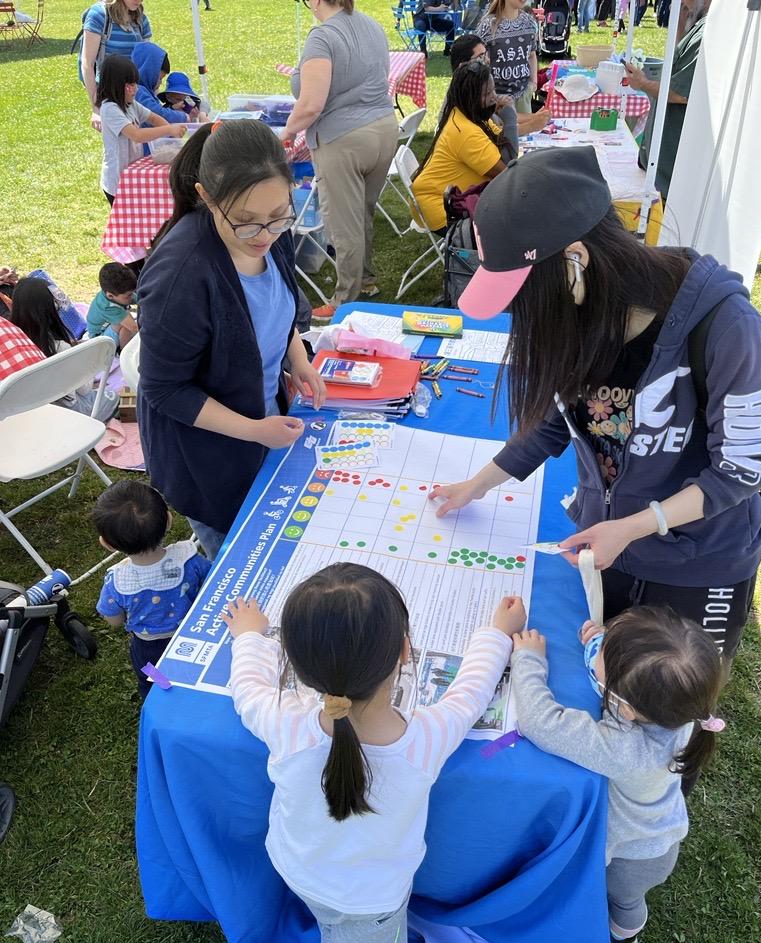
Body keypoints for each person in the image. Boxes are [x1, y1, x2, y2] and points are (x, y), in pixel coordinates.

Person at [430, 146, 761, 675]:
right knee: (609, 679)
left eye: (526, 295)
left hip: (698, 559)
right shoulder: (577, 313)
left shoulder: (725, 327)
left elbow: (741, 469)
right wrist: (477, 484)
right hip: (608, 544)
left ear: (576, 259)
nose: (524, 315)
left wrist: (638, 525)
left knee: (670, 698)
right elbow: (551, 421)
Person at [223, 563, 526, 943]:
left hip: (296, 866)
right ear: (407, 651)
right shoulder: (425, 737)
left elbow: (247, 689)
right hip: (370, 904)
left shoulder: (285, 721)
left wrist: (248, 636)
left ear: (294, 662)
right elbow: (470, 692)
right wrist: (497, 635)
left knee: (337, 932)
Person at [137, 120, 326, 560]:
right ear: (206, 197)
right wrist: (254, 430)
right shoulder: (180, 276)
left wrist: (296, 360)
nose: (264, 234)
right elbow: (165, 389)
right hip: (209, 458)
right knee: (245, 562)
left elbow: (279, 315)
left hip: (263, 424)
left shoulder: (270, 233)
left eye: (279, 215)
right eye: (245, 223)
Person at [511, 605, 723, 943]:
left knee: (623, 901)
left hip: (632, 859)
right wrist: (602, 641)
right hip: (660, 834)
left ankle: (623, 940)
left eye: (602, 660)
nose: (598, 651)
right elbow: (636, 677)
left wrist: (528, 660)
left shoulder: (624, 749)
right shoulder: (680, 707)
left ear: (627, 709)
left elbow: (541, 723)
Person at [283, 0, 398, 320]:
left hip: (344, 138)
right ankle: (366, 280)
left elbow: (311, 105)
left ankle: (345, 300)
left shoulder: (322, 37)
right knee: (362, 212)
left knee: (343, 224)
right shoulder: (372, 26)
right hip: (383, 129)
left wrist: (288, 131)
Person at [93, 480, 211, 699]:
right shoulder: (189, 559)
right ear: (168, 520)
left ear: (107, 544)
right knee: (195, 668)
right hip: (193, 634)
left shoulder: (116, 581)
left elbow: (114, 620)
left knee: (153, 678)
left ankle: (162, 695)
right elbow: (211, 581)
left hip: (148, 649)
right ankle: (193, 692)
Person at [412, 61, 547, 233]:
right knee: (524, 209)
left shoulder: (469, 114)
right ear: (470, 96)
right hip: (443, 209)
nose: (494, 97)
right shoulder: (465, 131)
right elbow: (506, 172)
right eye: (487, 94)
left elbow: (501, 140)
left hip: (456, 198)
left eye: (493, 90)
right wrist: (510, 118)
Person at [626, 0, 711, 200]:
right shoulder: (697, 26)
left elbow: (681, 94)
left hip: (673, 171)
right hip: (662, 166)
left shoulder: (707, 33)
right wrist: (683, 19)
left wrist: (643, 83)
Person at [9, 277, 119, 420]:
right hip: (70, 414)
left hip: (32, 414)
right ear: (50, 309)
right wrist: (88, 360)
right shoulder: (59, 347)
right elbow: (84, 389)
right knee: (113, 396)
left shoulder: (13, 342)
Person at [97, 55, 186, 206]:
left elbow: (153, 118)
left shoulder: (131, 104)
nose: (135, 89)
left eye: (135, 84)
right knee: (126, 219)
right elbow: (136, 135)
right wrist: (169, 129)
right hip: (116, 180)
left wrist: (171, 137)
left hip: (131, 173)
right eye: (129, 85)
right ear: (114, 85)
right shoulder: (110, 108)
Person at [80, 0, 152, 132]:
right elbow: (87, 64)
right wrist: (96, 108)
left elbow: (146, 64)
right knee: (119, 149)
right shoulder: (99, 15)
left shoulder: (142, 20)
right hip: (110, 97)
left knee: (139, 149)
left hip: (136, 97)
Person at [477, 0, 539, 113]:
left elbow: (531, 54)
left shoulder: (529, 21)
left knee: (525, 130)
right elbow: (478, 62)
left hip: (523, 95)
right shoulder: (488, 25)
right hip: (496, 99)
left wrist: (533, 83)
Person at [131, 42, 198, 127]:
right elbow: (157, 113)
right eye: (159, 78)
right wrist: (184, 117)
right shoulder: (138, 92)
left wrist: (172, 109)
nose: (160, 82)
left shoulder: (144, 91)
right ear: (147, 72)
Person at [87, 262, 139, 348]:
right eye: (129, 295)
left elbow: (138, 299)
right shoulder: (107, 307)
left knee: (126, 318)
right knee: (126, 325)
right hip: (100, 340)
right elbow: (134, 328)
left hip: (109, 326)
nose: (132, 296)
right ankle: (124, 352)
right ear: (110, 295)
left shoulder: (114, 293)